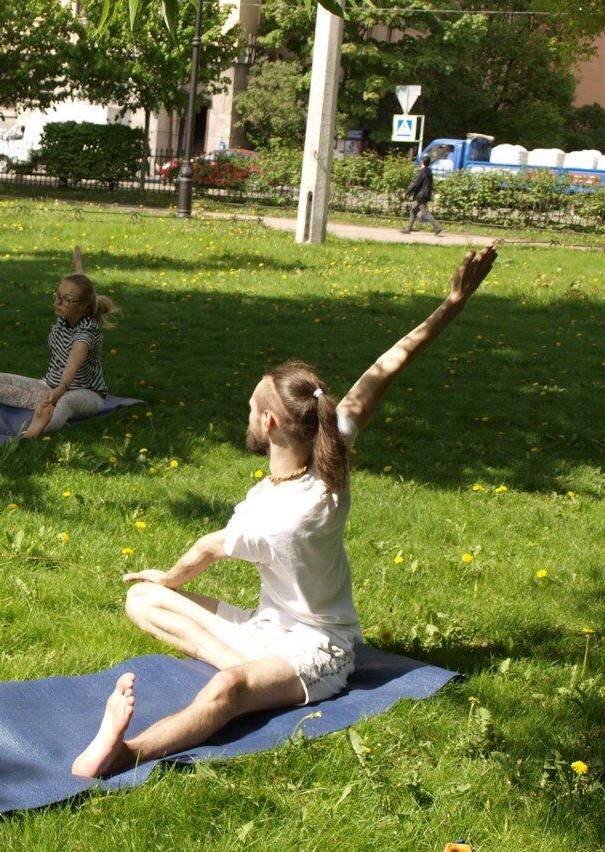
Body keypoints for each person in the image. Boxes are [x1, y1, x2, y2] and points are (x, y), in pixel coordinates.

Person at [71, 245, 498, 778]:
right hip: (264, 628)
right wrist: (452, 303)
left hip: (318, 651)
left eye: (252, 408)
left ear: (270, 425)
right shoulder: (331, 445)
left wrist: (172, 577)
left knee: (226, 689)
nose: (247, 414)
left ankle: (126, 751)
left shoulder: (277, 519)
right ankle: (242, 662)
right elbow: (387, 367)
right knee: (143, 598)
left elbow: (207, 549)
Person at [0, 246, 119, 439]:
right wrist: (78, 264)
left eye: (66, 299)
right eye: (58, 296)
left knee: (64, 404)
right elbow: (80, 285)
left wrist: (59, 391)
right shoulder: (68, 313)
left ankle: (34, 431)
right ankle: (43, 402)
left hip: (85, 394)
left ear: (84, 307)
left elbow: (72, 367)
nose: (58, 302)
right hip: (49, 385)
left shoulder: (86, 332)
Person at [403, 155, 442, 236]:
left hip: (420, 195)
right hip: (425, 194)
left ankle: (437, 226)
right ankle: (407, 229)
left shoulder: (422, 172)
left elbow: (415, 183)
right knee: (413, 211)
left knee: (425, 212)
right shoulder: (429, 172)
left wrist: (406, 192)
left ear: (422, 162)